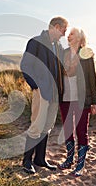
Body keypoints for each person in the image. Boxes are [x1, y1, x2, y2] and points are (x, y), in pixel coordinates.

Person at [20, 16, 68, 174]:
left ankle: (39, 159)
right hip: (42, 92)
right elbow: (25, 65)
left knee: (47, 127)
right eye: (63, 30)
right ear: (55, 27)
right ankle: (26, 161)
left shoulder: (59, 46)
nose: (64, 34)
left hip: (55, 94)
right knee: (37, 126)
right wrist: (36, 87)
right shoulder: (35, 42)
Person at [58, 27, 96, 177]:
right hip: (65, 98)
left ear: (80, 38)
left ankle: (80, 165)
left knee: (81, 131)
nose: (68, 36)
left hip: (82, 99)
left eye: (72, 34)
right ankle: (69, 160)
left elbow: (92, 79)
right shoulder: (62, 53)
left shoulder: (87, 54)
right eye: (68, 34)